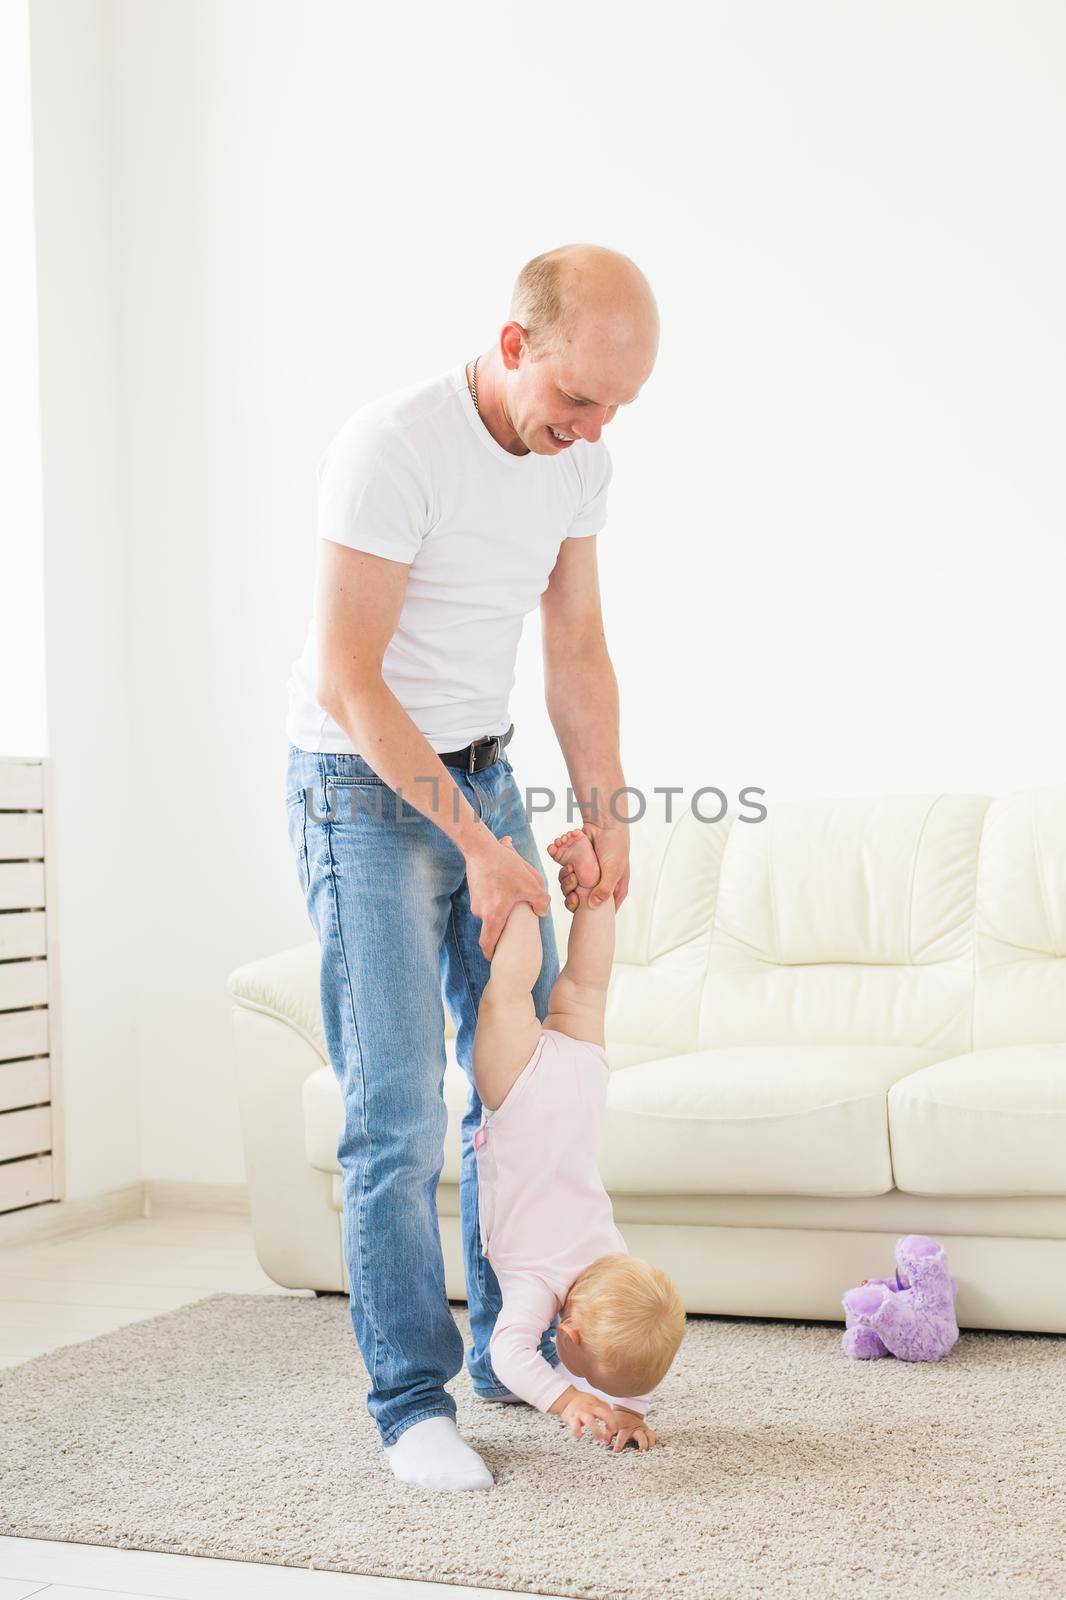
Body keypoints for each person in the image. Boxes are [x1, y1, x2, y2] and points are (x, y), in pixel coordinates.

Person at [284, 242, 659, 1491]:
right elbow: (349, 677)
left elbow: (577, 642)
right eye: (575, 401)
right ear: (513, 347)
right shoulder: (392, 448)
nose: (593, 428)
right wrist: (481, 846)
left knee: (511, 1089)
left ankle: (512, 1356)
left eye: (614, 408)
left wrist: (601, 814)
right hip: (361, 785)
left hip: (481, 772)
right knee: (393, 1110)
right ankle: (410, 1399)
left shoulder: (579, 461)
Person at [474, 826, 686, 1453]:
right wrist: (565, 1396)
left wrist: (633, 1411)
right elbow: (509, 1353)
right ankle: (516, 885)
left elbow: (637, 1338)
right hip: (520, 1097)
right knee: (506, 995)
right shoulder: (540, 1284)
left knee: (586, 985)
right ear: (564, 1332)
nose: (587, 1381)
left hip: (580, 1084)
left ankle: (593, 894)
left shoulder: (616, 1259)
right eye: (580, 1366)